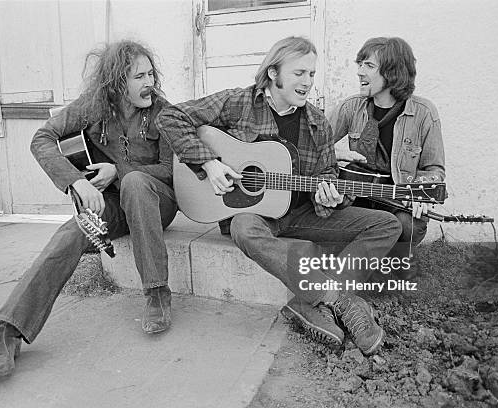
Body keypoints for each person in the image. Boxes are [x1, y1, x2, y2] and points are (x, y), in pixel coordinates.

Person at [155, 37, 402, 355]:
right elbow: (171, 118)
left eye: (312, 74)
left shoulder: (317, 124)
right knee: (244, 228)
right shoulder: (239, 102)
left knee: (387, 225)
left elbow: (326, 174)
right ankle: (337, 300)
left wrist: (327, 195)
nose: (308, 82)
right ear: (273, 73)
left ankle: (313, 300)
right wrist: (208, 162)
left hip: (301, 213)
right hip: (257, 214)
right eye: (300, 72)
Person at [0, 40, 177, 379]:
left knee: (134, 184)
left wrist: (121, 171)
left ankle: (157, 292)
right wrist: (76, 182)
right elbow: (41, 138)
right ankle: (7, 329)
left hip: (157, 202)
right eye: (138, 77)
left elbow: (171, 172)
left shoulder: (163, 112)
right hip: (113, 207)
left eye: (150, 74)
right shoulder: (93, 107)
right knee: (73, 231)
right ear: (116, 82)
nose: (149, 83)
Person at [330, 37, 445, 272]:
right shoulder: (352, 107)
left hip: (395, 202)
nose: (360, 72)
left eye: (369, 66)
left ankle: (392, 267)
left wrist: (420, 195)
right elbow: (313, 148)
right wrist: (337, 153)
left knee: (407, 225)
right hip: (357, 198)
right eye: (360, 64)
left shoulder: (424, 113)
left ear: (392, 73)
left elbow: (434, 170)